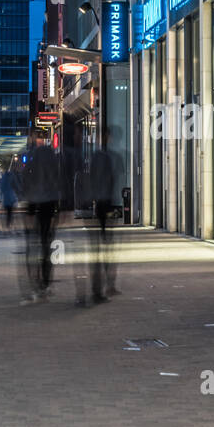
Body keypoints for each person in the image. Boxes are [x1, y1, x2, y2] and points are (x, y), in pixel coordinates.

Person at [20, 141, 63, 303]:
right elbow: (58, 189)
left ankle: (35, 281)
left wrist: (29, 212)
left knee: (33, 247)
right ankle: (45, 282)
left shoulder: (31, 169)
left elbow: (26, 187)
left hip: (35, 209)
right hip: (48, 210)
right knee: (47, 247)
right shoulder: (54, 170)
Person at [89, 129, 122, 302]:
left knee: (105, 244)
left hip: (102, 203)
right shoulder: (106, 157)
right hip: (104, 202)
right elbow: (108, 179)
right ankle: (106, 286)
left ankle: (106, 285)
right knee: (106, 245)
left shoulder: (100, 157)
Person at [0, 165, 20, 231]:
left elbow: (1, 187)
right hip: (12, 197)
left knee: (7, 212)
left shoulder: (4, 177)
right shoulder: (13, 177)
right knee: (10, 212)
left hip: (6, 198)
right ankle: (10, 224)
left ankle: (7, 224)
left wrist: (2, 194)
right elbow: (17, 186)